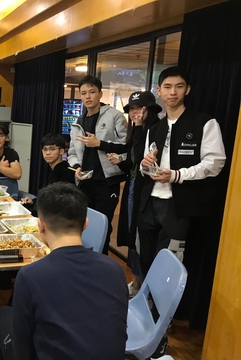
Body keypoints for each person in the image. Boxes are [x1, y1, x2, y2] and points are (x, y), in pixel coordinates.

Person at [0, 182, 129, 360]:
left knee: (3, 315)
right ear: (85, 224)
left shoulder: (30, 276)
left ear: (40, 226)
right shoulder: (114, 269)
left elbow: (23, 348)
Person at [138, 66, 226, 276]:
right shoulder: (154, 129)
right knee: (146, 257)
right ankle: (146, 303)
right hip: (150, 201)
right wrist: (145, 166)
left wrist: (177, 175)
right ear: (159, 91)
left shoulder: (204, 122)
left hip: (180, 205)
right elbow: (145, 166)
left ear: (188, 89)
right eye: (167, 87)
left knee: (170, 263)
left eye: (179, 86)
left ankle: (164, 308)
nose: (173, 92)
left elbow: (215, 163)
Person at [107, 91, 161, 298]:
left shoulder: (153, 130)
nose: (134, 113)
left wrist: (138, 127)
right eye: (131, 109)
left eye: (139, 109)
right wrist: (119, 161)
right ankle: (136, 281)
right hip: (132, 186)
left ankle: (142, 285)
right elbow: (133, 163)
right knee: (132, 236)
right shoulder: (136, 131)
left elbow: (142, 159)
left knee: (140, 237)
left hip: (145, 192)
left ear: (149, 110)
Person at [67, 74, 128, 255]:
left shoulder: (115, 116)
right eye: (84, 93)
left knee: (103, 226)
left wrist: (99, 143)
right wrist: (76, 167)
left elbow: (126, 147)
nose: (88, 97)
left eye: (92, 92)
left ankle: (101, 265)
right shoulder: (78, 121)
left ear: (100, 94)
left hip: (107, 182)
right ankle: (85, 262)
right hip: (85, 182)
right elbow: (72, 151)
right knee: (84, 225)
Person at [21, 133, 75, 215]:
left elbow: (53, 204)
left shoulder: (63, 172)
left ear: (61, 151)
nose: (47, 153)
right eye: (45, 149)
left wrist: (33, 209)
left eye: (52, 149)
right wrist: (33, 202)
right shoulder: (56, 169)